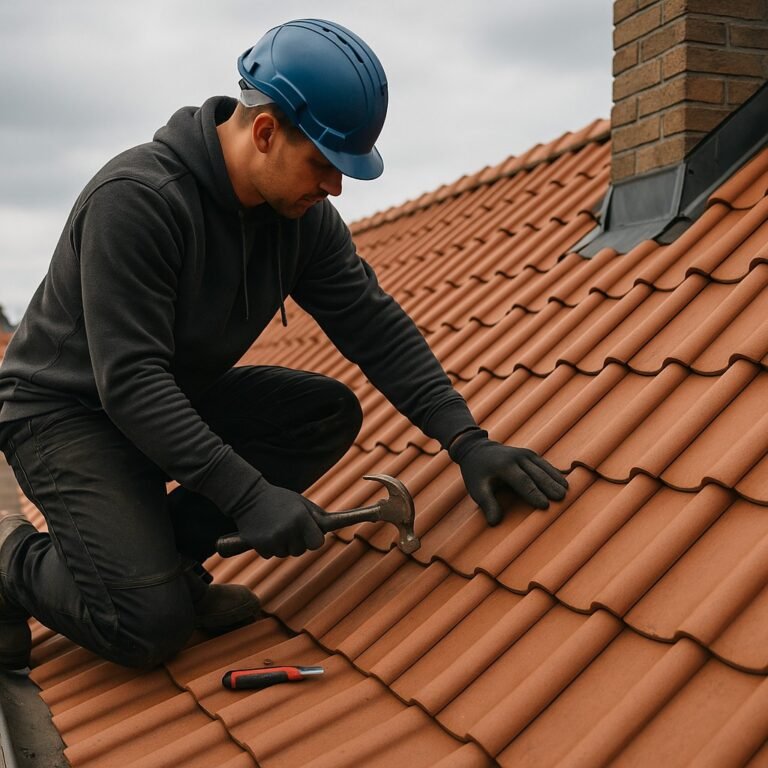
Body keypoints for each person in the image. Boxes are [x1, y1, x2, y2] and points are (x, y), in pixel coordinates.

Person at [0, 19, 568, 671]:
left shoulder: (301, 223)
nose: (335, 188)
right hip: (62, 415)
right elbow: (128, 383)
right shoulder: (137, 201)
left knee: (323, 413)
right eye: (323, 164)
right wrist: (248, 496)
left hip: (159, 401)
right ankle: (14, 566)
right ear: (265, 131)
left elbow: (374, 327)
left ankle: (164, 564)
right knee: (148, 629)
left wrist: (467, 439)